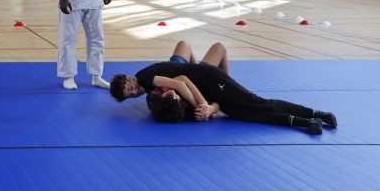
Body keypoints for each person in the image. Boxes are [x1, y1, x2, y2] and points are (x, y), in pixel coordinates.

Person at [110, 41, 338, 134]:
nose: (134, 92)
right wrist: (210, 106)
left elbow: (180, 80)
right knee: (246, 112)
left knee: (257, 105)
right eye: (130, 95)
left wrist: (202, 104)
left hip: (210, 79)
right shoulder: (154, 92)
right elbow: (183, 51)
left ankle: (315, 114)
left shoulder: (146, 80)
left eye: (131, 88)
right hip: (207, 80)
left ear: (130, 78)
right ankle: (309, 120)